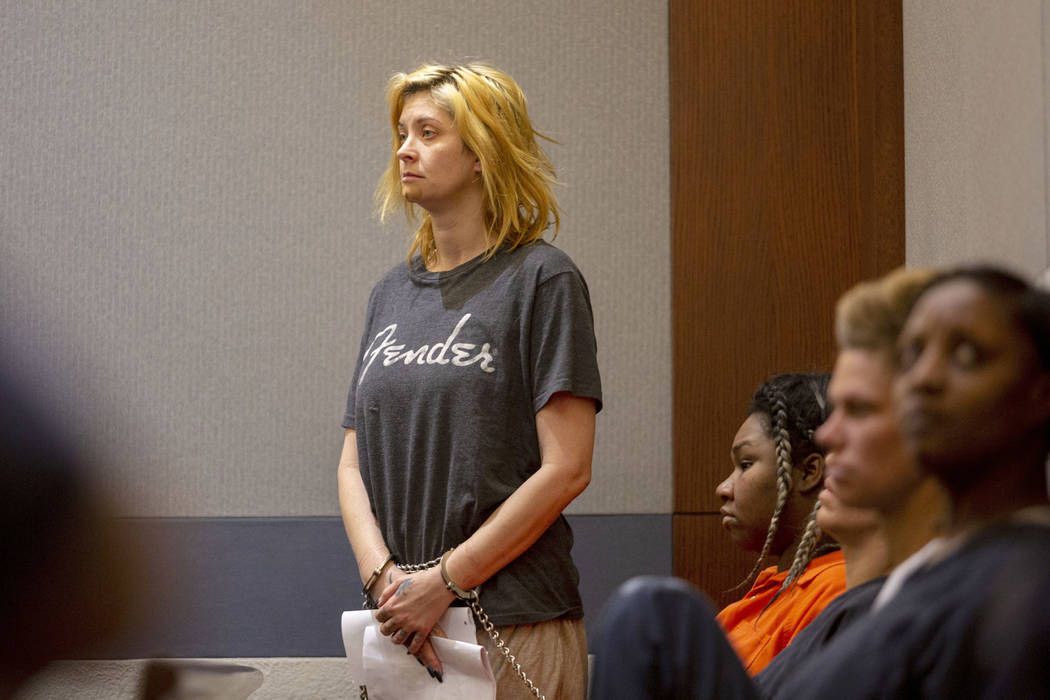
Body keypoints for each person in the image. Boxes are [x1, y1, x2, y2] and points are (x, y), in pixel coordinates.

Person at [336, 63, 601, 700]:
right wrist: (387, 585)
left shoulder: (543, 280)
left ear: (482, 153)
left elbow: (567, 469)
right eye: (401, 132)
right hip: (401, 622)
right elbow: (351, 466)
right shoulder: (390, 293)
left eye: (428, 132)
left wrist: (445, 581)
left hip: (512, 619)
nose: (404, 149)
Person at [590, 267, 947, 699]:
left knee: (650, 610)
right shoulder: (803, 594)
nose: (833, 436)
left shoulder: (915, 601)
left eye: (860, 412)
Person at [776, 266, 1050, 698]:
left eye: (967, 355)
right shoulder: (928, 574)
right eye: (911, 356)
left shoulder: (1025, 590)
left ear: (1041, 393)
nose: (924, 378)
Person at [714, 373, 845, 674]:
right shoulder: (774, 586)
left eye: (745, 464)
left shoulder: (834, 590)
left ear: (809, 472)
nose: (723, 488)